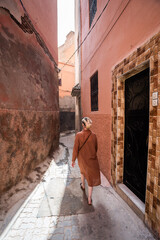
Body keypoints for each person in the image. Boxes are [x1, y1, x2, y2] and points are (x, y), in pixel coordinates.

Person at [72, 117, 101, 205]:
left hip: (82, 159)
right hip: (92, 160)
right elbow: (96, 148)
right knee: (90, 179)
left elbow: (75, 149)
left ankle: (83, 186)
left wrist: (73, 160)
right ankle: (89, 199)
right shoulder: (94, 135)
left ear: (82, 125)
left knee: (83, 171)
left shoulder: (78, 135)